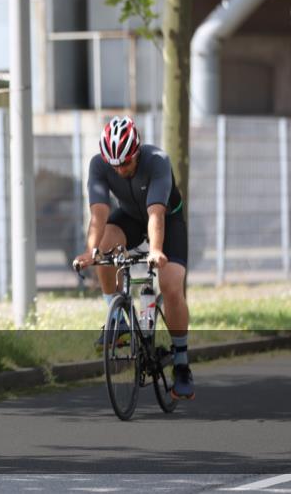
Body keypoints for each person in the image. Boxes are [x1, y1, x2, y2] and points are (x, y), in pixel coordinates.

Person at [73, 115, 195, 400]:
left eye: (125, 163)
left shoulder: (157, 161)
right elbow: (99, 213)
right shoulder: (99, 165)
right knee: (102, 250)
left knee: (171, 284)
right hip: (128, 217)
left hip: (167, 220)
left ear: (136, 152)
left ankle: (181, 363)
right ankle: (118, 322)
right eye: (114, 164)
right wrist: (90, 251)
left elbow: (156, 215)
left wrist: (155, 250)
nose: (120, 169)